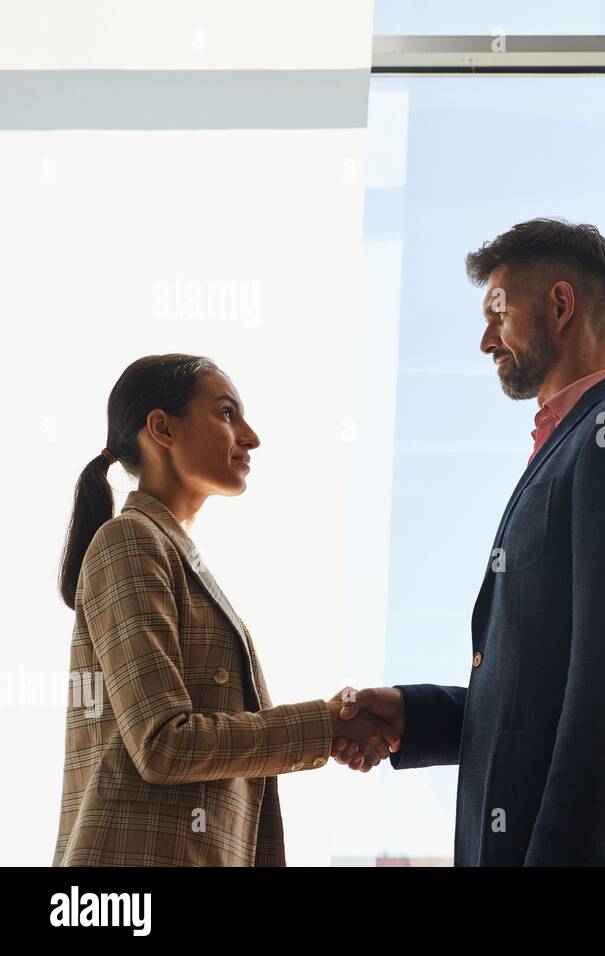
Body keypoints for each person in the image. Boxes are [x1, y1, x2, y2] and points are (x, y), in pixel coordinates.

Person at [335, 218, 605, 865]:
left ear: (560, 305)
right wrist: (414, 717)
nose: (486, 340)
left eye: (498, 314)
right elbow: (548, 692)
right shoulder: (577, 443)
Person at [53, 354, 398, 866]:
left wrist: (331, 728)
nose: (251, 437)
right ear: (161, 428)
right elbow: (163, 743)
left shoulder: (166, 550)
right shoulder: (128, 541)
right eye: (226, 414)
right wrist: (326, 727)